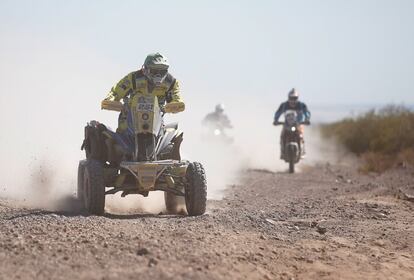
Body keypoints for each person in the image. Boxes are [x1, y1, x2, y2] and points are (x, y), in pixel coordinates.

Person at [102, 52, 184, 132]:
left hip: (156, 122)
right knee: (111, 139)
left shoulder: (171, 82)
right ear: (145, 69)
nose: (158, 75)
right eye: (154, 72)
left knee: (175, 137)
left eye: (162, 72)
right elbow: (116, 91)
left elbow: (176, 98)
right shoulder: (133, 78)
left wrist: (176, 105)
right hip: (129, 119)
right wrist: (110, 100)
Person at [273, 88, 311, 158]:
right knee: (282, 135)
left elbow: (307, 112)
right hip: (287, 124)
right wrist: (276, 120)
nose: (293, 100)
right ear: (288, 97)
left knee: (301, 135)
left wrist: (307, 119)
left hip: (298, 124)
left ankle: (303, 151)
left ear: (297, 98)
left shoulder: (301, 105)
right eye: (291, 98)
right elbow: (278, 113)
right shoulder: (284, 105)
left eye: (295, 98)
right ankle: (282, 152)